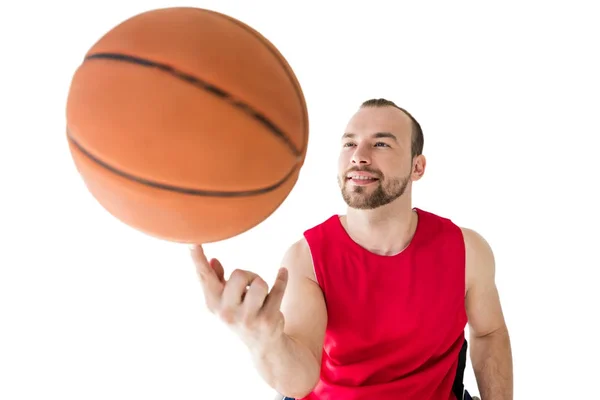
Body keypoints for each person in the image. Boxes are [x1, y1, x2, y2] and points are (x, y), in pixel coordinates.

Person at [191, 98, 513, 400]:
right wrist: (264, 340)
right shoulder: (307, 258)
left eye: (381, 143)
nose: (359, 155)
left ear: (418, 167)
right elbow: (300, 378)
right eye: (349, 143)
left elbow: (489, 333)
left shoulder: (466, 250)